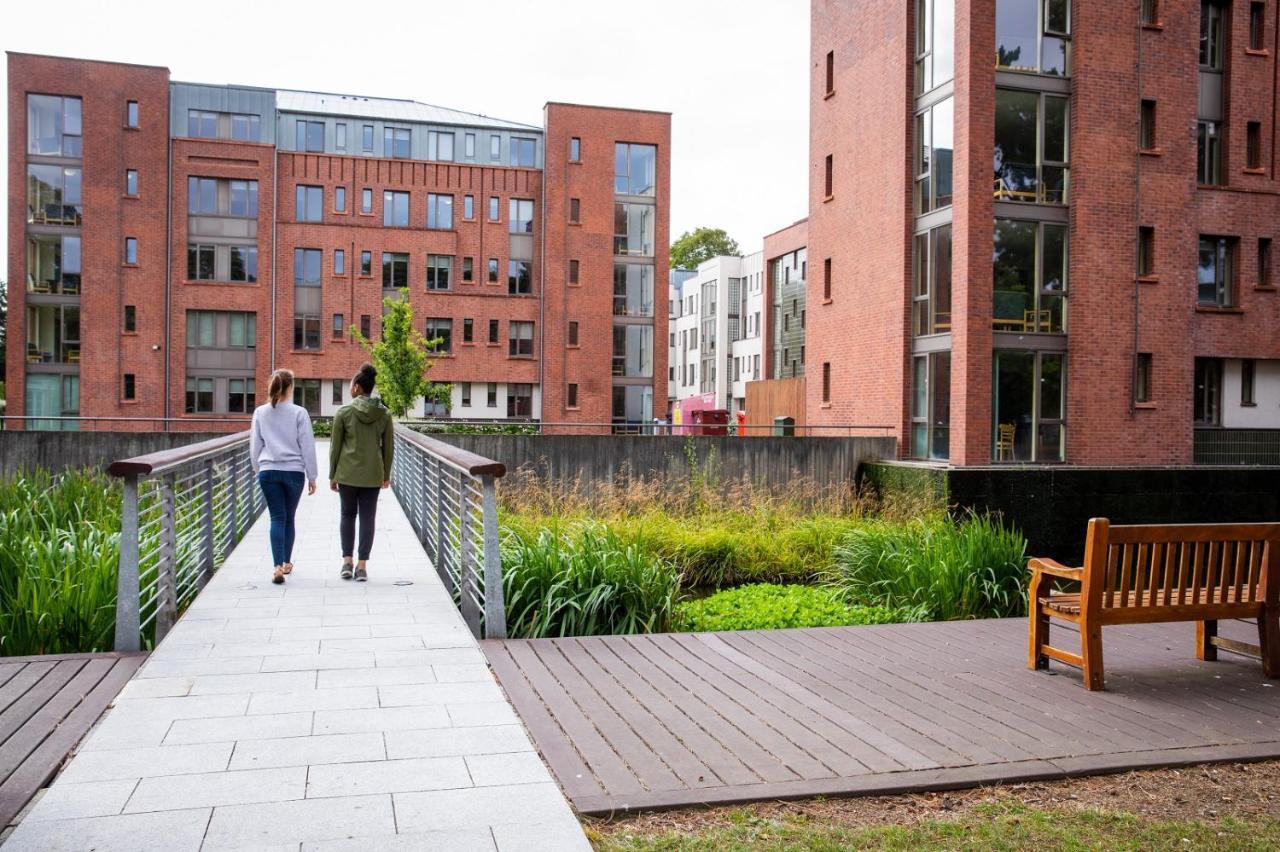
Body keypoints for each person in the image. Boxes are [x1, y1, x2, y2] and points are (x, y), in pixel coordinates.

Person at [250, 369, 318, 585]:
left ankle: (277, 566)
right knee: (289, 517)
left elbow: (255, 446)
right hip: (294, 472)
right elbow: (307, 445)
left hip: (268, 471)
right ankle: (287, 562)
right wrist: (312, 475)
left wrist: (257, 469)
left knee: (276, 518)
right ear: (291, 387)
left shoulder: (260, 412)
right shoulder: (299, 412)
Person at [329, 363, 394, 582]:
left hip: (347, 473)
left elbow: (335, 447)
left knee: (347, 515)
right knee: (368, 518)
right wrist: (386, 475)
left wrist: (332, 474)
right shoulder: (384, 414)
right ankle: (362, 566)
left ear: (356, 387)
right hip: (372, 473)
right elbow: (388, 447)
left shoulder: (344, 412)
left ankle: (347, 563)